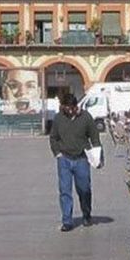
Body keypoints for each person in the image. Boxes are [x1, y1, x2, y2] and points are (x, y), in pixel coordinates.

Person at [48, 93, 100, 232]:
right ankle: (67, 221)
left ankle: (86, 214)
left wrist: (98, 157)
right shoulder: (59, 118)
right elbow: (53, 137)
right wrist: (57, 153)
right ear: (63, 107)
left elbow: (95, 137)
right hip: (64, 158)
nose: (70, 110)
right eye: (67, 108)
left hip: (82, 158)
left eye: (72, 107)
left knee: (84, 189)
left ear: (76, 106)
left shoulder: (86, 117)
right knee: (65, 191)